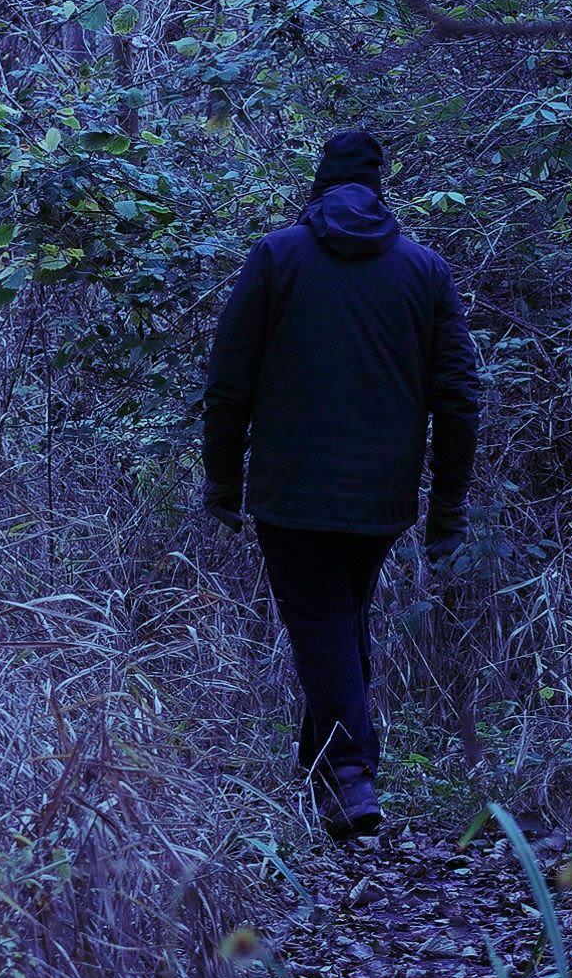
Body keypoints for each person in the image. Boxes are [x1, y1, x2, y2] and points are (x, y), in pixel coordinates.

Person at [200, 127, 481, 838]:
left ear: (318, 185)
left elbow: (229, 380)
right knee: (339, 617)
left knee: (322, 621)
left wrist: (222, 481)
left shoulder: (276, 257)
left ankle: (352, 775)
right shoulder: (425, 271)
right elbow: (458, 396)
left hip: (290, 494)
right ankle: (326, 769)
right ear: (381, 189)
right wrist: (446, 507)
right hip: (383, 499)